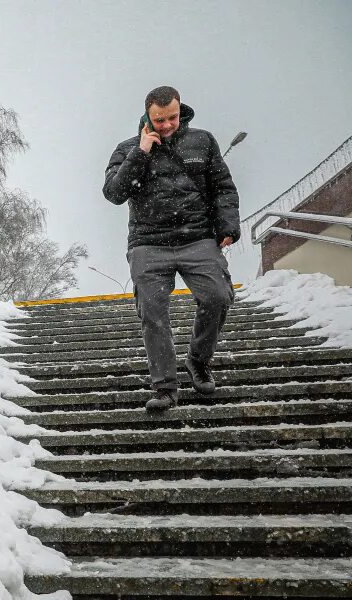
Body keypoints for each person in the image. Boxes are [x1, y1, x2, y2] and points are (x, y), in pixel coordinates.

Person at [102, 86, 241, 412]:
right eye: (159, 119)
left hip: (197, 238)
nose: (166, 125)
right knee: (153, 311)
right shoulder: (127, 148)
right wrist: (141, 152)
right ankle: (164, 388)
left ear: (181, 112)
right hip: (148, 243)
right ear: (148, 116)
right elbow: (113, 192)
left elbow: (223, 186)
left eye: (172, 118)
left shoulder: (203, 141)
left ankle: (198, 360)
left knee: (218, 296)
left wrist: (228, 226)